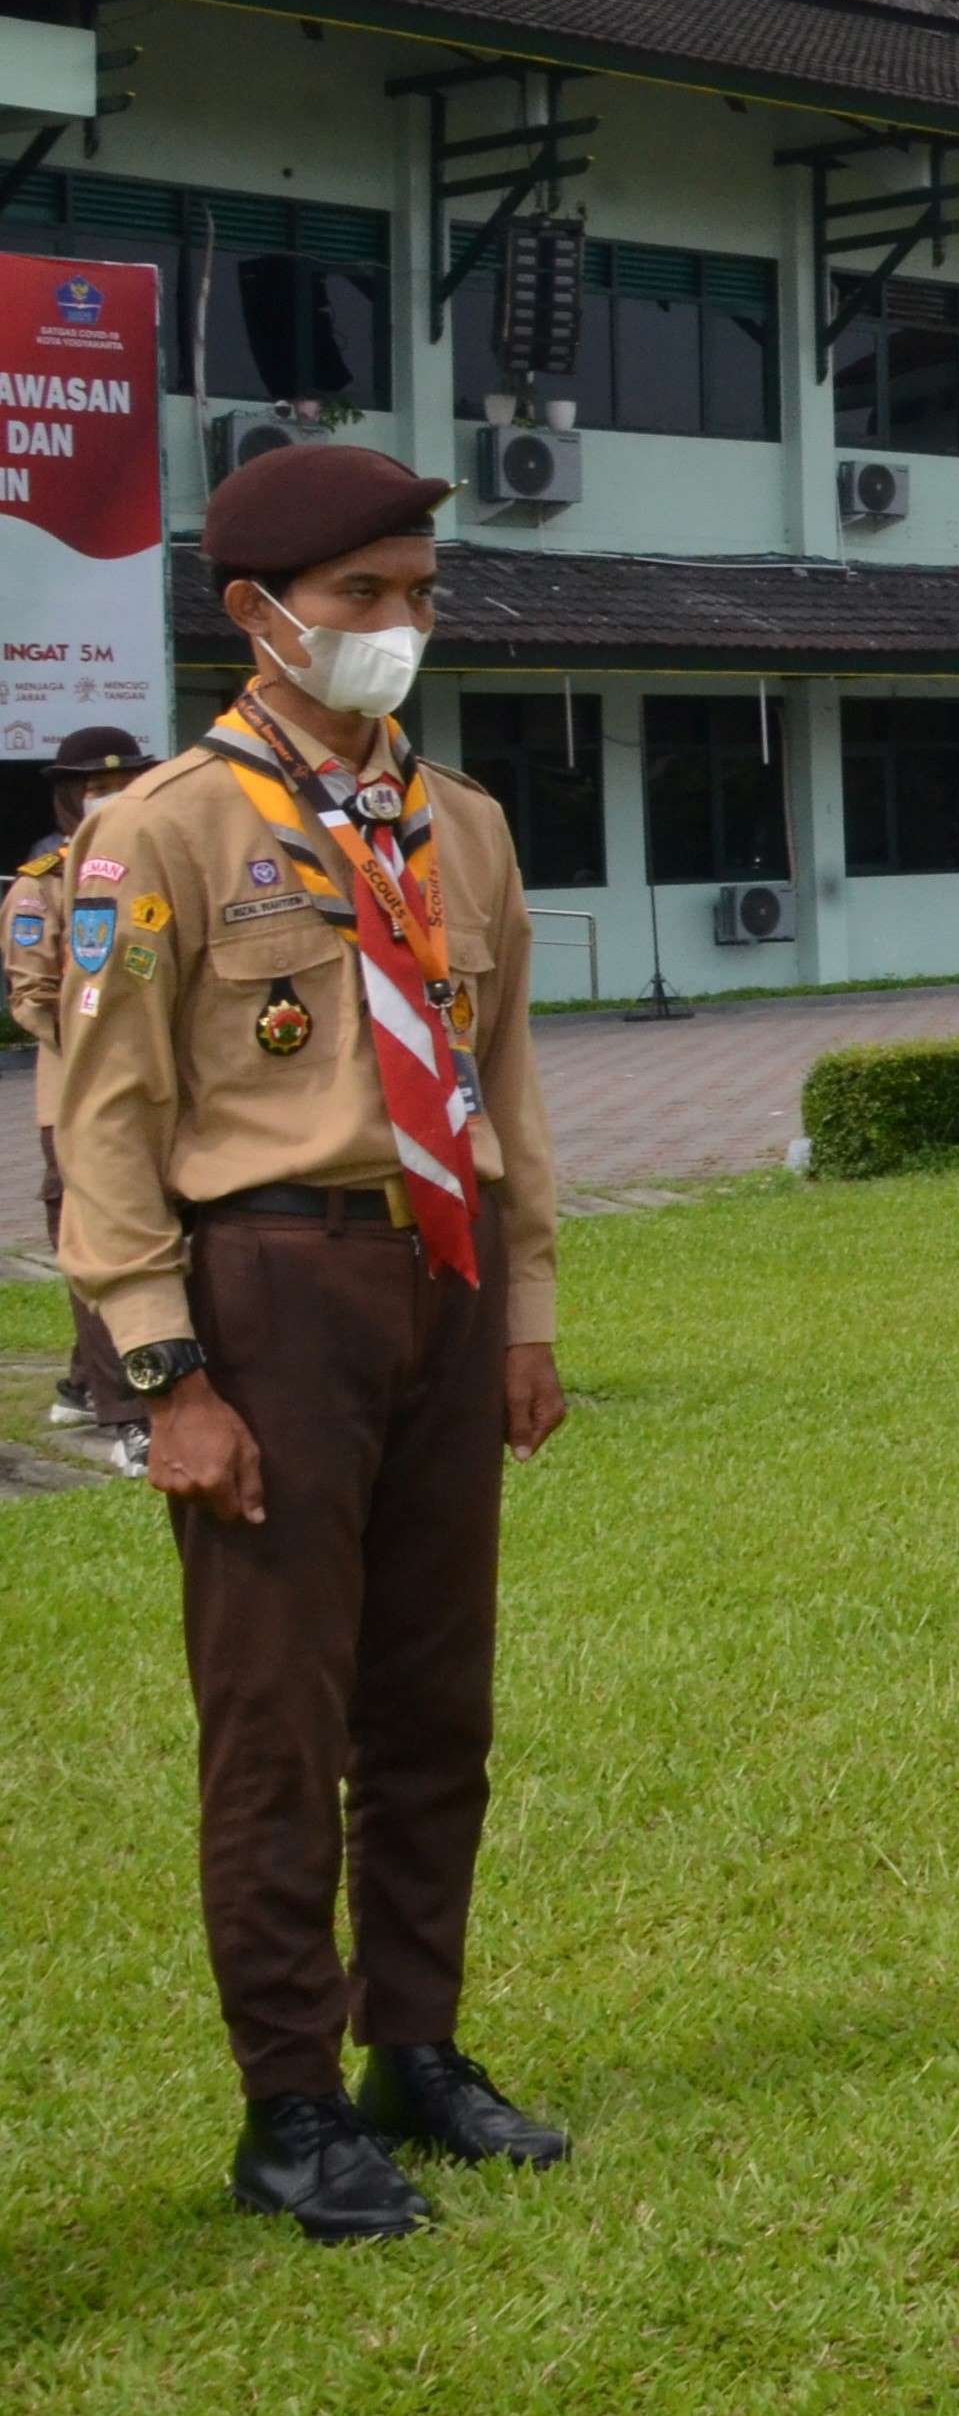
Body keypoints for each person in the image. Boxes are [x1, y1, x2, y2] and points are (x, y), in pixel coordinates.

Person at [51, 442, 571, 2244]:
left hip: (443, 1276)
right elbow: (103, 1120)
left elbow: (505, 1086)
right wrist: (163, 1372)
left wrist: (529, 1309)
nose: (398, 628)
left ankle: (408, 2049)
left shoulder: (464, 824)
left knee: (437, 1701)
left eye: (420, 595)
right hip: (270, 1288)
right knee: (277, 1719)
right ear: (255, 613)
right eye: (362, 598)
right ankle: (286, 2103)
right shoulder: (162, 829)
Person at [11, 723, 160, 1446]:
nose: (113, 799)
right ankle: (128, 1416)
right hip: (80, 1097)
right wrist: (102, 1044)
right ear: (71, 798)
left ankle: (82, 1382)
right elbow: (32, 997)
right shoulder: (45, 887)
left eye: (126, 785)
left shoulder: (160, 869)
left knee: (164, 1242)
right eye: (97, 789)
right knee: (101, 1245)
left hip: (163, 1093)